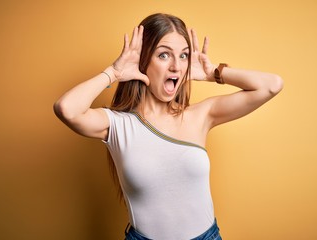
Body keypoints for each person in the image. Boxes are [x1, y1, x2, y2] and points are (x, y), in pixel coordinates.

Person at [54, 13, 283, 240]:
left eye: (183, 56)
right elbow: (67, 109)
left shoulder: (200, 116)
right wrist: (113, 73)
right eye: (164, 55)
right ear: (143, 61)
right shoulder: (117, 124)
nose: (176, 66)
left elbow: (271, 85)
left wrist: (214, 73)